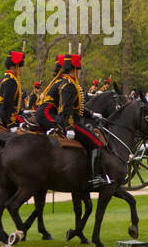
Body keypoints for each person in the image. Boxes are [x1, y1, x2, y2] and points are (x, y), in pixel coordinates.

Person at [38, 54, 108, 187]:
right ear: (74, 69)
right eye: (78, 69)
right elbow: (67, 109)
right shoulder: (69, 85)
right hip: (70, 122)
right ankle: (96, 177)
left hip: (68, 120)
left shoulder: (68, 83)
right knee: (96, 143)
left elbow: (76, 107)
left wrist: (92, 113)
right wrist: (69, 127)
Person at [0, 50, 26, 128]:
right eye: (19, 66)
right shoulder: (11, 80)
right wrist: (11, 123)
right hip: (7, 116)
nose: (21, 69)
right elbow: (8, 104)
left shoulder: (1, 79)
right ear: (13, 67)